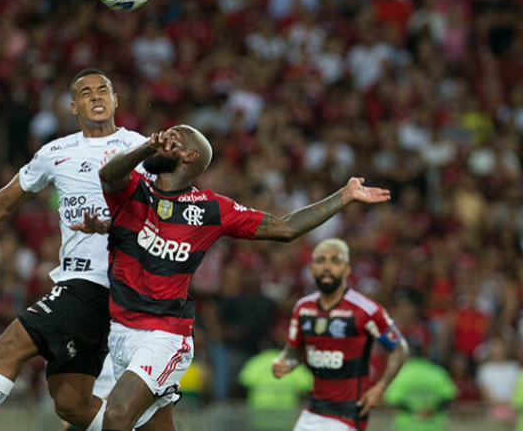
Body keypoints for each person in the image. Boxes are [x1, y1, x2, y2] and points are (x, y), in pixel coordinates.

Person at [95, 125, 392, 430]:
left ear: (190, 156)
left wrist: (344, 195)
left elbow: (285, 228)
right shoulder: (134, 188)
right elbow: (107, 176)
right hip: (120, 331)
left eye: (174, 138)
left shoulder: (211, 209)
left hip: (164, 334)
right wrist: (145, 148)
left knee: (116, 414)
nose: (161, 138)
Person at [0, 68, 166, 431]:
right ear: (73, 106)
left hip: (103, 283)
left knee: (10, 345)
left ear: (116, 100)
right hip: (92, 290)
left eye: (104, 90)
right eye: (86, 93)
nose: (97, 96)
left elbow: (171, 211)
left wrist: (116, 228)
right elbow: (6, 201)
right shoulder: (56, 153)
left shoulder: (142, 149)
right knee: (70, 405)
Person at [273, 238, 410, 431]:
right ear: (312, 269)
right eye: (320, 261)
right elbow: (293, 352)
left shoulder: (366, 310)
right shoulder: (303, 308)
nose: (327, 267)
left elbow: (400, 348)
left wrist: (380, 388)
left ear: (347, 270)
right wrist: (284, 362)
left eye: (335, 261)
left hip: (348, 415)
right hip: (313, 412)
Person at [383, 344, 457, 431]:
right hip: (434, 426)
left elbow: (391, 400)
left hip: (407, 427)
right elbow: (450, 397)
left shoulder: (401, 374)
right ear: (425, 356)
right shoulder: (438, 373)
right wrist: (431, 410)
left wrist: (414, 411)